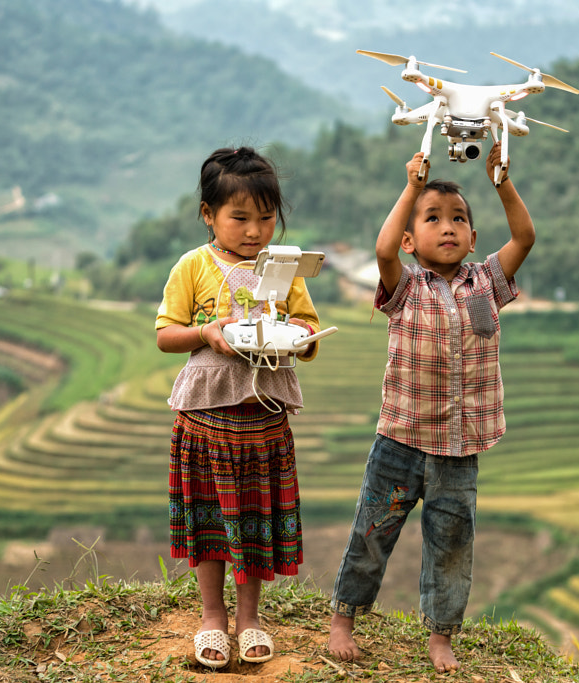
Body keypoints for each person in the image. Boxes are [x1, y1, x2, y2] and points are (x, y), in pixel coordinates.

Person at [328, 143, 535, 673]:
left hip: (460, 451)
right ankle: (344, 618)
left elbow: (526, 237)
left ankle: (441, 637)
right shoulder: (404, 286)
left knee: (451, 545)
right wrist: (412, 187)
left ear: (473, 237)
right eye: (433, 218)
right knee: (372, 532)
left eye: (459, 220)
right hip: (399, 441)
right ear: (410, 238)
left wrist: (501, 183)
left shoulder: (487, 283)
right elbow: (380, 251)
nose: (448, 228)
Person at [155, 146, 322, 669]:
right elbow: (165, 335)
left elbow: (309, 328)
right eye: (240, 218)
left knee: (254, 521)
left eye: (266, 218)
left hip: (263, 420)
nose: (255, 231)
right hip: (207, 421)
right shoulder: (194, 267)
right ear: (209, 215)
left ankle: (249, 618)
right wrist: (207, 332)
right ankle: (211, 617)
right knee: (210, 523)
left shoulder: (285, 269)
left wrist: (299, 336)